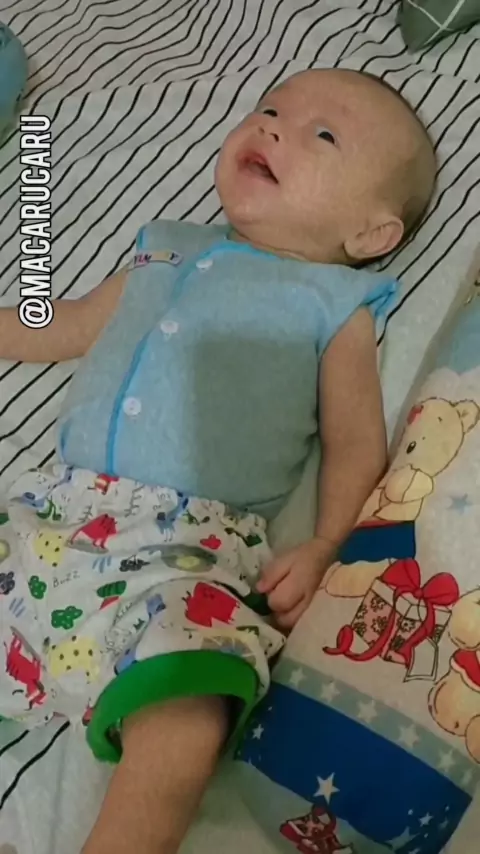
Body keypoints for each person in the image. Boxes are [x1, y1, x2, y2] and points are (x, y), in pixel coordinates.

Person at [0, 68, 436, 854]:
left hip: (183, 552)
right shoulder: (165, 249)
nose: (271, 126)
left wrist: (326, 543)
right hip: (49, 518)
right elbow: (63, 326)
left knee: (195, 694)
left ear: (372, 234)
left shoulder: (331, 302)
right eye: (268, 109)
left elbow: (355, 444)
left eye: (322, 135)